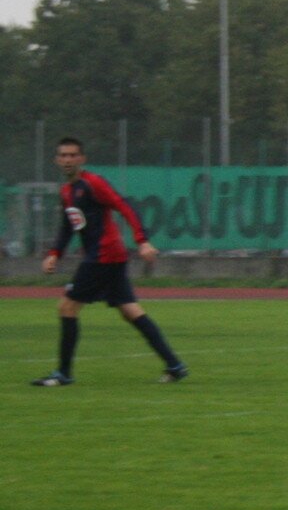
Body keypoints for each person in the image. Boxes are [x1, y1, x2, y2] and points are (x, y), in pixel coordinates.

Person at [29, 137, 185, 387]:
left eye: (73, 155)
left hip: (103, 255)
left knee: (67, 307)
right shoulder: (66, 191)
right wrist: (54, 253)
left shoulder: (93, 183)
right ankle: (174, 365)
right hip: (109, 256)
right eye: (64, 155)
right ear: (57, 160)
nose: (68, 159)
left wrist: (142, 240)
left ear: (82, 159)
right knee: (130, 311)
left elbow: (124, 206)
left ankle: (63, 373)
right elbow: (68, 226)